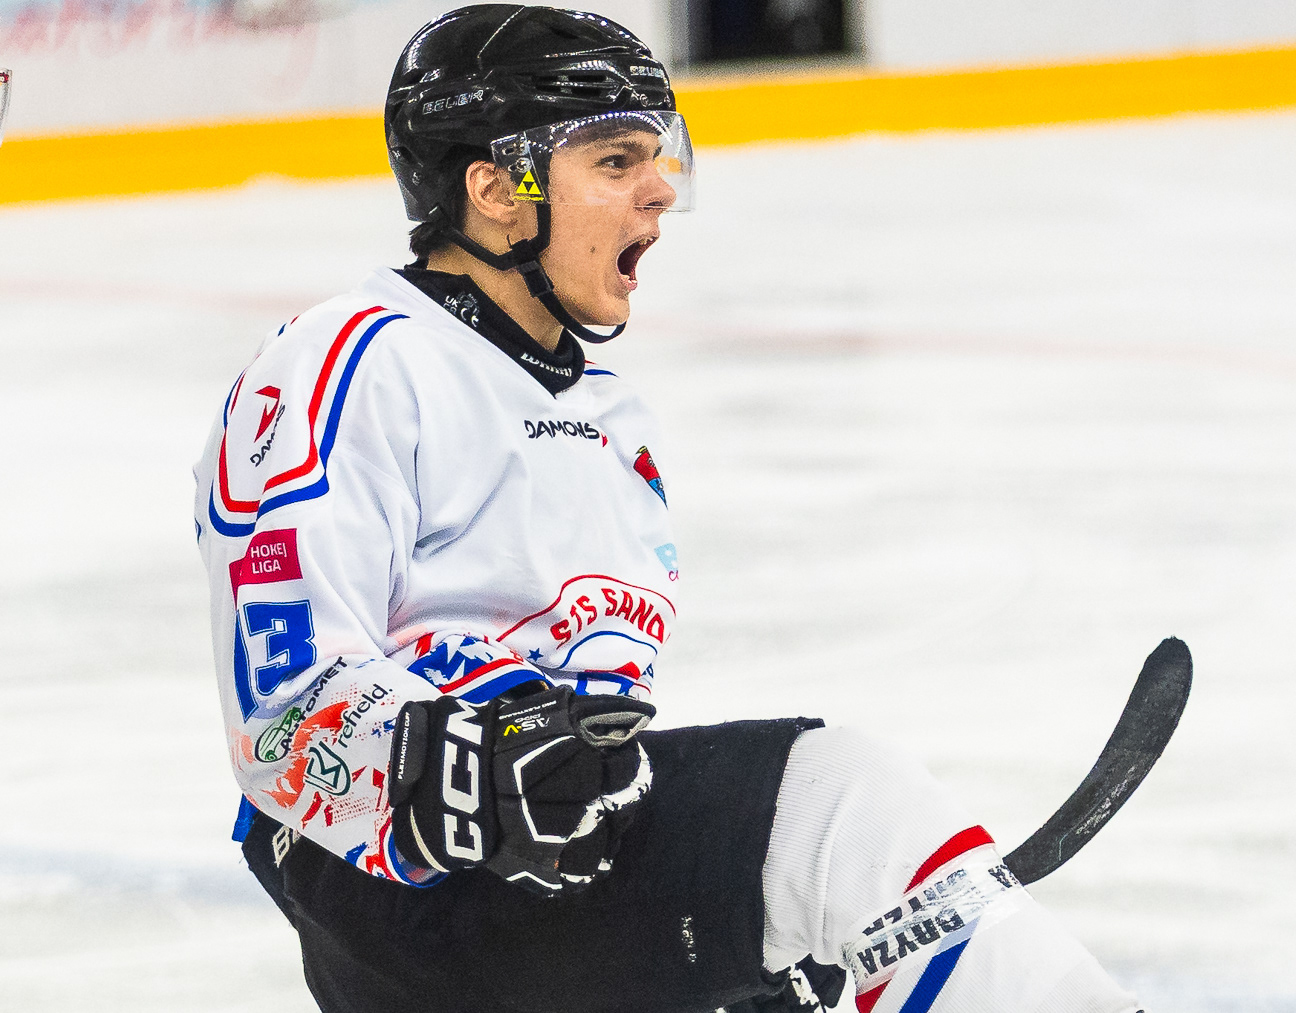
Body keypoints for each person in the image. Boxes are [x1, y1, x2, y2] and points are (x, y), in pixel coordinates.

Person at [193, 6, 1146, 1011]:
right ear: (496, 191)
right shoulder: (354, 362)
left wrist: (727, 943)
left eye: (656, 157)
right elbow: (282, 711)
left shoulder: (609, 419)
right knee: (839, 811)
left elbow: (593, 754)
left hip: (547, 896)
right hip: (408, 898)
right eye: (615, 161)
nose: (658, 189)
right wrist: (469, 765)